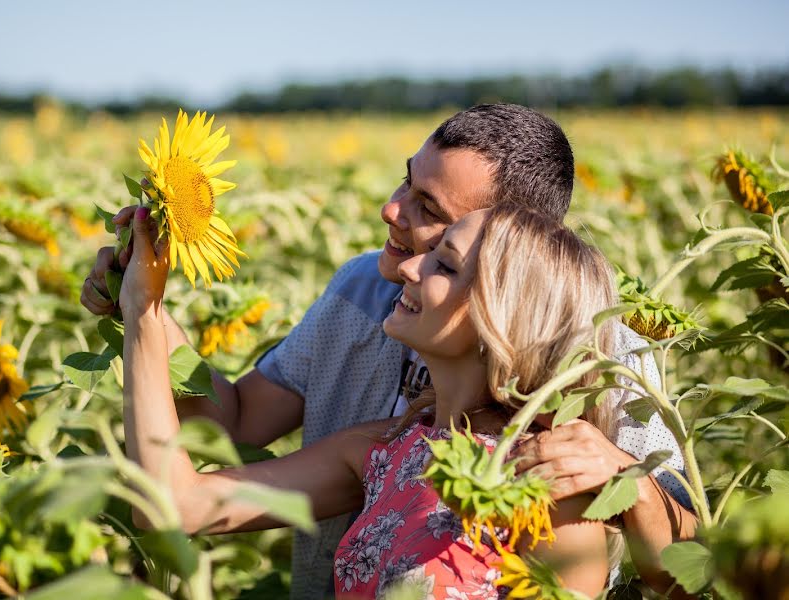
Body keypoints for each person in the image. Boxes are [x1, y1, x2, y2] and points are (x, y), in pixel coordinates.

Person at [81, 104, 697, 597]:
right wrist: (148, 311)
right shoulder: (379, 407)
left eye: (432, 215)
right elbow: (226, 436)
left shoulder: (603, 367)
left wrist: (630, 482)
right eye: (409, 178)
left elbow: (686, 569)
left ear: (512, 277)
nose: (392, 209)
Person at [121, 204, 619, 598]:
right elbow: (176, 505)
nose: (411, 267)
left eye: (444, 264)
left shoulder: (547, 486)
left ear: (503, 320)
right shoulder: (387, 447)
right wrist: (144, 309)